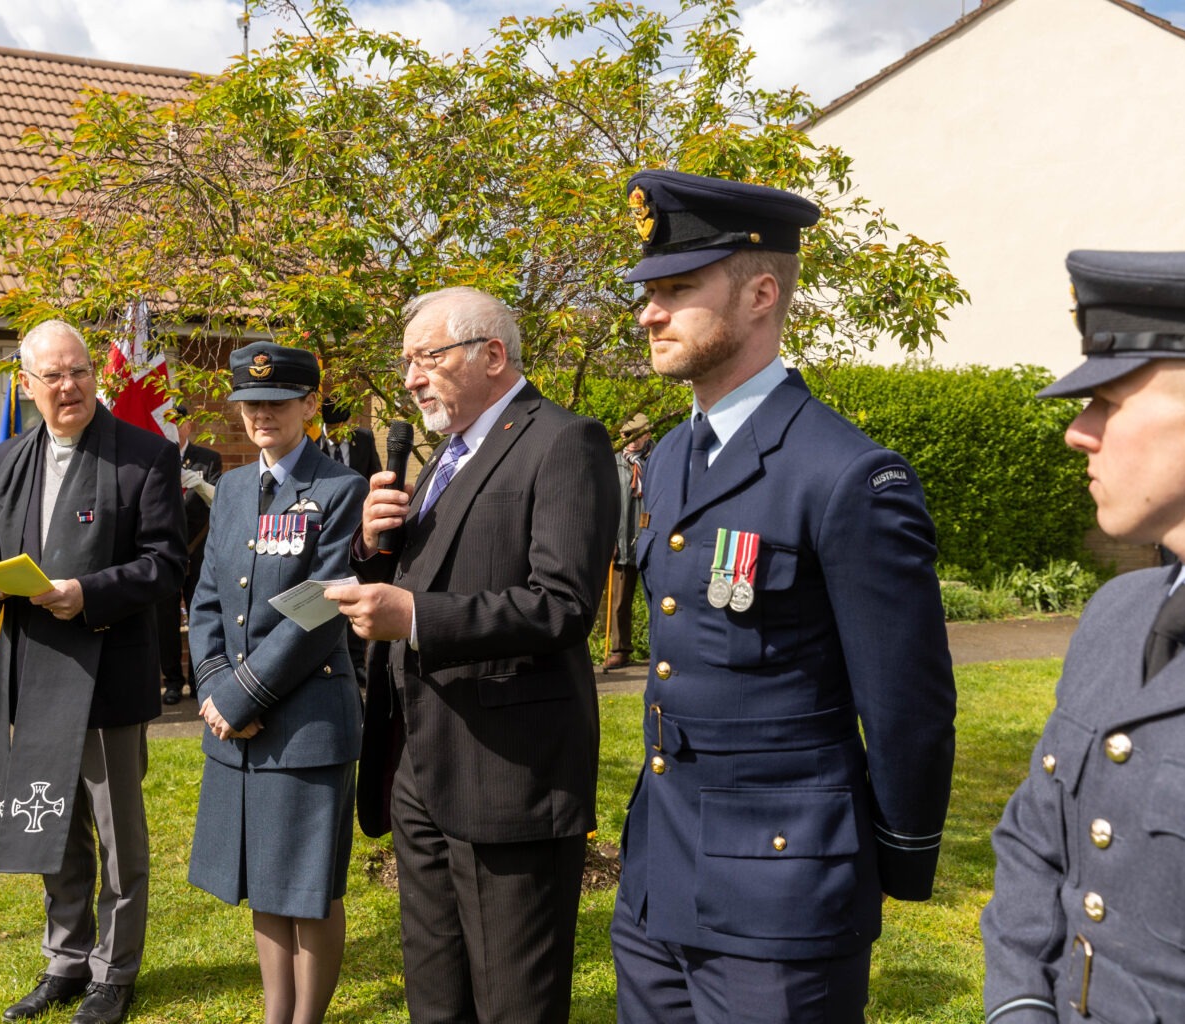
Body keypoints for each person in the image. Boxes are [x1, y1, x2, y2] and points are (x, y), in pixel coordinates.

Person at [610, 169, 957, 1023]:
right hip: (660, 874)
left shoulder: (846, 476)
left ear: (762, 293)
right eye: (648, 293)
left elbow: (907, 703)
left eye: (679, 290)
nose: (649, 313)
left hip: (783, 892)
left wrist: (895, 859)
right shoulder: (668, 458)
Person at [328, 286, 619, 1023]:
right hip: (420, 763)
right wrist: (370, 546)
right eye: (407, 363)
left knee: (511, 1001)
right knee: (437, 993)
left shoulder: (563, 441)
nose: (411, 378)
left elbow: (560, 605)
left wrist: (417, 616)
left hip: (507, 773)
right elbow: (420, 579)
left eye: (427, 358)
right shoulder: (449, 454)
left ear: (493, 355)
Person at [982, 251, 1185, 1023]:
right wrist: (1021, 1005)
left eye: (1105, 403)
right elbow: (1034, 842)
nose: (1078, 433)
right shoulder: (1119, 612)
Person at [0, 321, 186, 1024]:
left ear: (97, 377)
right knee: (48, 822)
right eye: (52, 375)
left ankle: (114, 972)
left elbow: (165, 563)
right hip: (35, 670)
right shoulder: (14, 457)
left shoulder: (144, 456)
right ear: (26, 386)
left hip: (108, 670)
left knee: (118, 832)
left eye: (80, 371)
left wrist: (88, 594)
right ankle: (66, 958)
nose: (70, 386)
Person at [187, 342, 365, 1024]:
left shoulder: (337, 489)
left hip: (307, 718)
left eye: (277, 402)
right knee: (264, 878)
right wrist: (213, 685)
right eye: (250, 404)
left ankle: (307, 1019)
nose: (261, 415)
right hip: (237, 715)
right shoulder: (231, 488)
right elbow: (206, 596)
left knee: (305, 884)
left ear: (309, 405)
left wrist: (241, 697)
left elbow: (321, 610)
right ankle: (275, 1013)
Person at [158, 404, 223, 706]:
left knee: (201, 615)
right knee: (165, 618)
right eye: (168, 421)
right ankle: (172, 681)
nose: (173, 427)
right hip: (165, 550)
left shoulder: (207, 459)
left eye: (177, 422)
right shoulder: (157, 455)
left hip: (198, 550)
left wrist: (200, 484)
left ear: (187, 426)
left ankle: (200, 679)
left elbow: (219, 503)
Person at [314, 396, 381, 689]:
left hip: (357, 531)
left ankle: (356, 662)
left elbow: (374, 475)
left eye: (343, 426)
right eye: (334, 427)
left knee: (354, 590)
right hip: (323, 531)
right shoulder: (313, 443)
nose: (339, 431)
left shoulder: (363, 439)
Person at [604, 412, 652, 671]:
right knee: (620, 602)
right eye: (626, 436)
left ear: (647, 434)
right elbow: (605, 504)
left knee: (657, 599)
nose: (631, 441)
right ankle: (620, 650)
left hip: (652, 540)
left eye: (636, 435)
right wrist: (609, 539)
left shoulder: (659, 460)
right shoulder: (612, 464)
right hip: (622, 542)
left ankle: (661, 648)